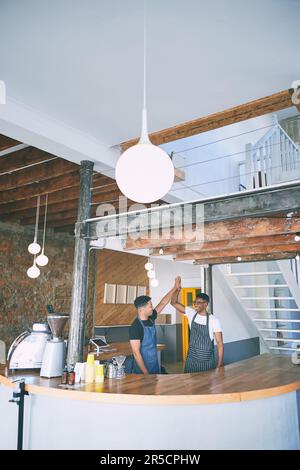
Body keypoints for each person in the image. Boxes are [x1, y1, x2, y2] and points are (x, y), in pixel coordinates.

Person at [171, 278, 224, 373]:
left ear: (206, 304)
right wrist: (177, 289)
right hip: (191, 360)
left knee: (205, 386)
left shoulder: (214, 321)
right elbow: (173, 302)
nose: (196, 304)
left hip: (206, 362)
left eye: (199, 303)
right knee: (190, 386)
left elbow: (220, 344)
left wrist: (219, 365)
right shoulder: (191, 313)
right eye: (195, 302)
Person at [129, 277, 180, 374]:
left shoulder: (151, 318)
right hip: (142, 371)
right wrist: (146, 373)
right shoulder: (135, 327)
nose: (152, 308)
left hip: (154, 365)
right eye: (150, 306)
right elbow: (136, 353)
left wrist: (174, 287)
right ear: (142, 309)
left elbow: (163, 302)